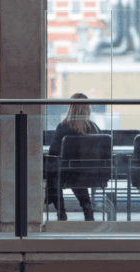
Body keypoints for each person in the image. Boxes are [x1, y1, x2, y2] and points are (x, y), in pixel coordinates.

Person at [46, 93, 99, 222]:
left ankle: (61, 211)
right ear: (87, 109)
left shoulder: (63, 127)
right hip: (93, 173)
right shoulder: (94, 128)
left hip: (69, 173)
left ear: (71, 107)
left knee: (53, 173)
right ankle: (87, 207)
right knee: (75, 172)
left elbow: (53, 152)